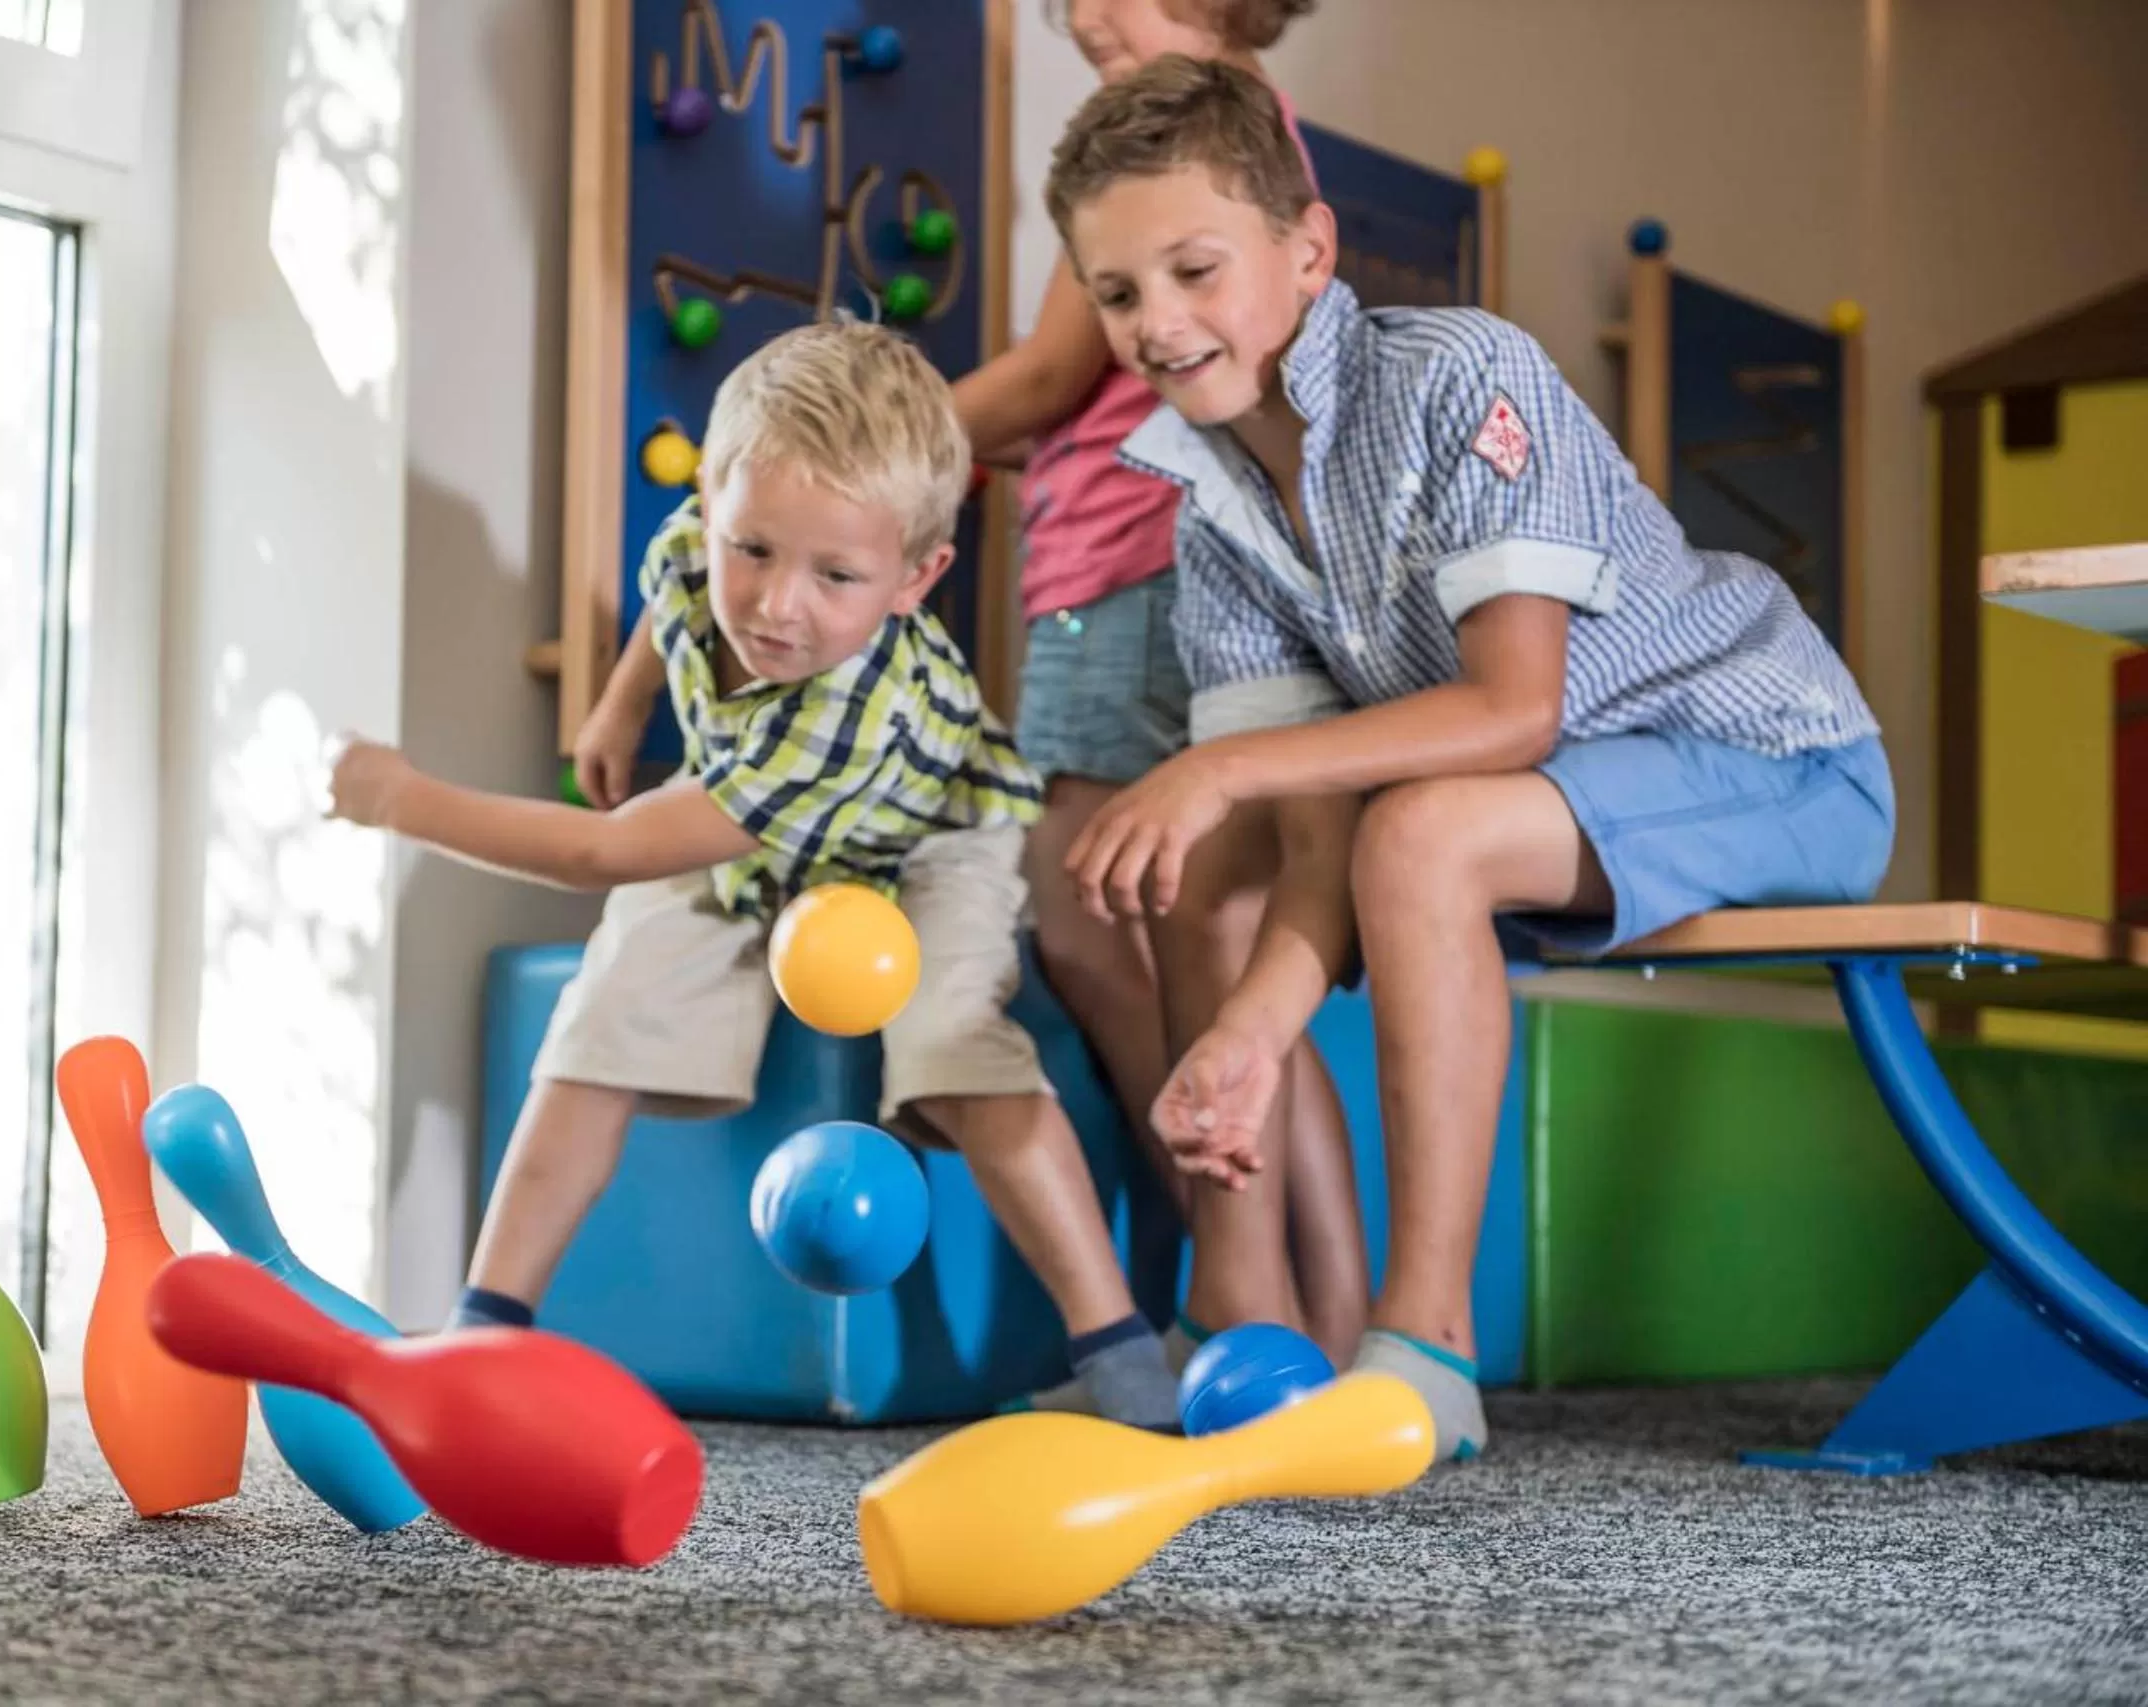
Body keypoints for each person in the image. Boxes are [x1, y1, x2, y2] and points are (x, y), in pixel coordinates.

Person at [1043, 56, 1895, 1458]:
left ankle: (1427, 1341)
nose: (1159, 322)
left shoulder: (1457, 377)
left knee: (1415, 829)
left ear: (1307, 249)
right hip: (1558, 802)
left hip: (1773, 756)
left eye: (1195, 270)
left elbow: (1514, 710)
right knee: (1232, 865)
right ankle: (1239, 1315)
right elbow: (1308, 818)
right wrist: (1249, 1036)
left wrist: (1222, 773)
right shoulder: (1206, 507)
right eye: (1120, 293)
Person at [327, 318, 1181, 1429]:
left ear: (918, 576)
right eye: (754, 550)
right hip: (752, 820)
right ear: (722, 506)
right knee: (601, 1016)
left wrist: (401, 800)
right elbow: (675, 576)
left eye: (836, 574)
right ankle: (486, 1327)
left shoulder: (842, 710)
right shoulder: (707, 539)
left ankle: (1114, 1346)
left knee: (951, 1040)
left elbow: (607, 849)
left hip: (926, 837)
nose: (778, 604)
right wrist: (622, 700)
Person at [952, 0, 1367, 1385]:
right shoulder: (1214, 121)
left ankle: (1242, 1283)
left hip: (1126, 571)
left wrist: (850, 434)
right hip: (1134, 558)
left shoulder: (1178, 124)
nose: (1077, 15)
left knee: (1082, 908)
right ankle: (1310, 1312)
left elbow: (1048, 374)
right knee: (1212, 937)